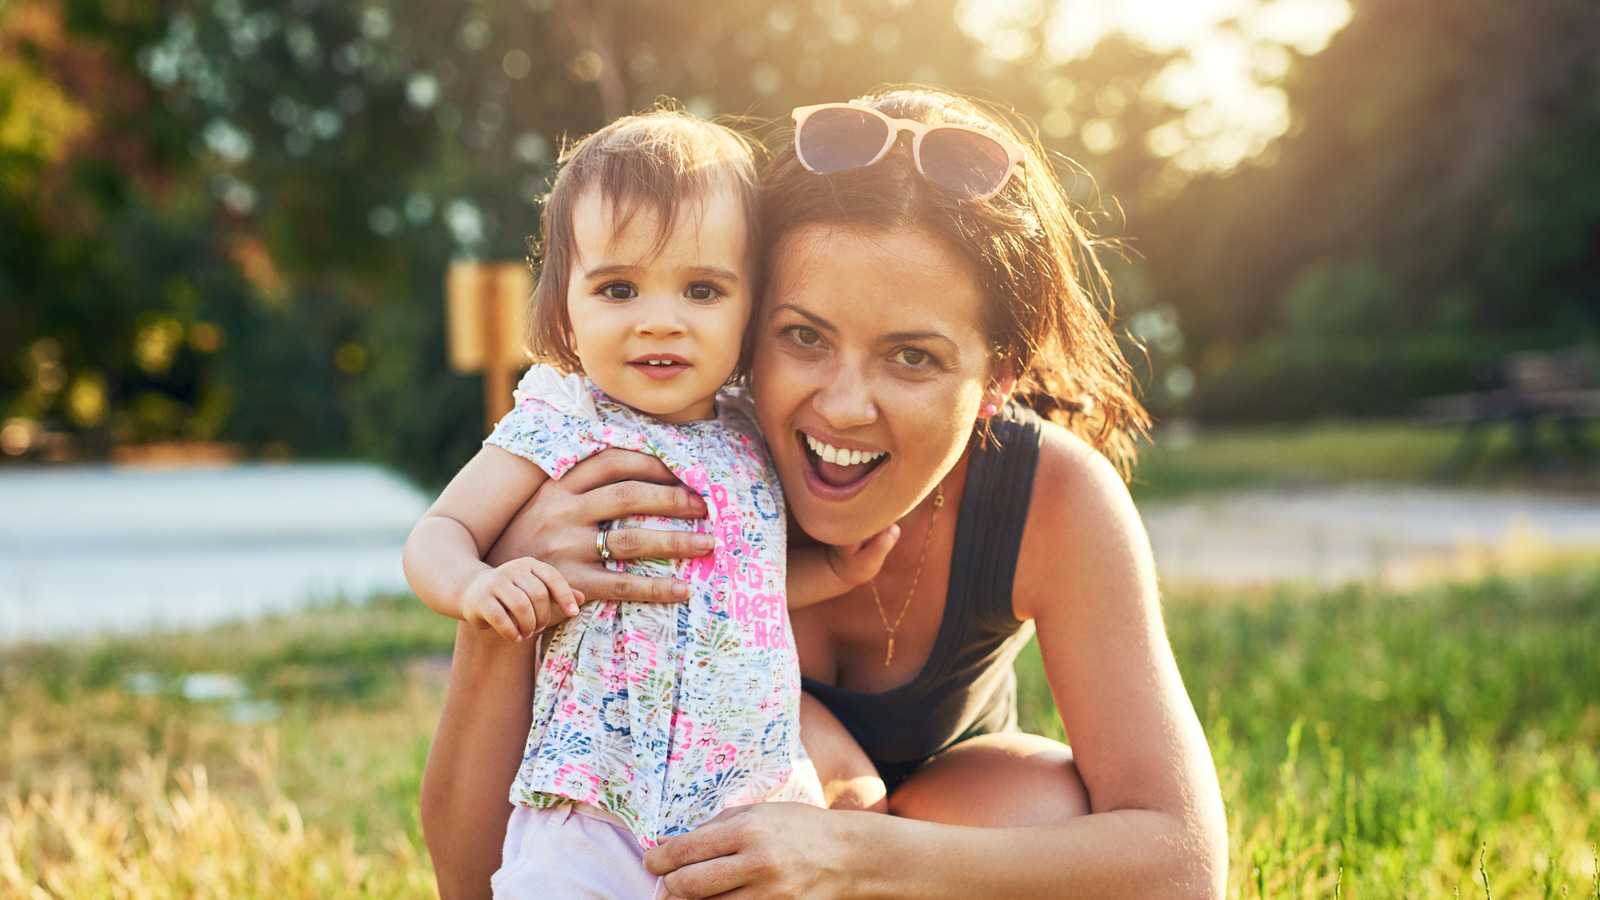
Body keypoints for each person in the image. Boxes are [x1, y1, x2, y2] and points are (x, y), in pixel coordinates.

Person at [421, 88, 1228, 900]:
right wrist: (509, 605)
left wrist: (848, 856)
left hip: (944, 848)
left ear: (999, 375)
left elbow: (1183, 865)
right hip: (658, 857)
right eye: (802, 336)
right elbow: (467, 881)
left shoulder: (1047, 497)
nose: (844, 406)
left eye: (913, 357)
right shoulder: (615, 481)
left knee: (1033, 796)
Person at [402, 109, 897, 899]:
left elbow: (734, 586)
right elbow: (437, 534)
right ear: (565, 303)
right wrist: (475, 584)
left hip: (742, 801)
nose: (659, 320)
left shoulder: (749, 434)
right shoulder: (564, 420)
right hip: (595, 804)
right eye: (619, 287)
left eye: (702, 289)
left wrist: (833, 571)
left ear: (753, 305)